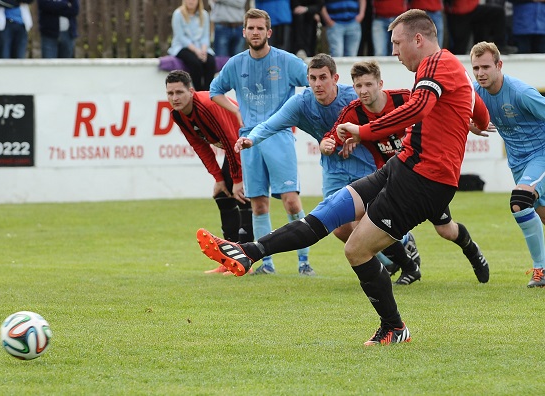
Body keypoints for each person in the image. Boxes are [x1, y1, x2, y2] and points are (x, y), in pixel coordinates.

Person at [198, 9, 491, 345]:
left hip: (425, 180)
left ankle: (394, 327)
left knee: (356, 250)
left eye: (397, 43)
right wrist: (476, 121)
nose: (394, 51)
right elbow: (474, 105)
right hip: (403, 167)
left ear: (418, 39)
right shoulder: (444, 67)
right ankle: (248, 251)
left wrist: (364, 131)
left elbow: (418, 108)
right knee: (326, 215)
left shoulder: (437, 62)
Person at [234, 56, 421, 279]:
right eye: (312, 78)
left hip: (366, 166)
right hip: (333, 170)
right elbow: (271, 124)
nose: (317, 84)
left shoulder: (354, 96)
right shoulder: (300, 103)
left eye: (323, 78)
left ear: (335, 78)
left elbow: (383, 120)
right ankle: (386, 263)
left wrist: (359, 137)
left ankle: (405, 248)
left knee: (369, 221)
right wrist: (251, 139)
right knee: (339, 227)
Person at [324, 60, 490, 285]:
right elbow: (333, 136)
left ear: (380, 83)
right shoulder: (353, 113)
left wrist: (465, 122)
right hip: (390, 179)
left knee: (445, 230)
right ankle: (409, 267)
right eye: (358, 86)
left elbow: (437, 110)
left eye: (368, 84)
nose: (363, 91)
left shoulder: (405, 98)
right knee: (374, 224)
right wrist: (331, 142)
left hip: (423, 176)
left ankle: (471, 250)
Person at [209, 8, 314, 276]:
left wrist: (298, 111)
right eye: (250, 28)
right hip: (249, 139)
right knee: (258, 203)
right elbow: (215, 91)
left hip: (278, 135)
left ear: (269, 32)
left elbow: (313, 84)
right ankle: (266, 265)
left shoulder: (287, 61)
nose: (255, 32)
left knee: (291, 201)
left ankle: (304, 262)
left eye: (260, 28)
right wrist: (235, 110)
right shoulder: (235, 63)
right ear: (244, 32)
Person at [470, 41, 545, 287]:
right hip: (518, 163)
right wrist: (469, 125)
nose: (480, 73)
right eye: (476, 68)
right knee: (537, 214)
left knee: (519, 202)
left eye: (485, 67)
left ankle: (540, 270)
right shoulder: (474, 94)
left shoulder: (521, 93)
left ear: (499, 65)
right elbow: (456, 115)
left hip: (541, 154)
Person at [165, 70, 253, 274]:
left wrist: (237, 179)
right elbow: (200, 147)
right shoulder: (178, 114)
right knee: (223, 194)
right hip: (236, 148)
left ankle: (246, 261)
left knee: (241, 195)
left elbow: (232, 141)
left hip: (249, 145)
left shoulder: (207, 105)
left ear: (191, 91)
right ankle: (228, 260)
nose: (175, 98)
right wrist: (219, 178)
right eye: (170, 93)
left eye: (179, 92)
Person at [168, 0, 216, 91]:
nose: (191, 1)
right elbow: (180, 37)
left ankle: (208, 93)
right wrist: (196, 51)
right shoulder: (178, 14)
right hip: (182, 47)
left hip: (201, 47)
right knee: (195, 63)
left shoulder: (204, 15)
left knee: (210, 62)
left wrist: (204, 50)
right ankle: (199, 93)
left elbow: (205, 36)